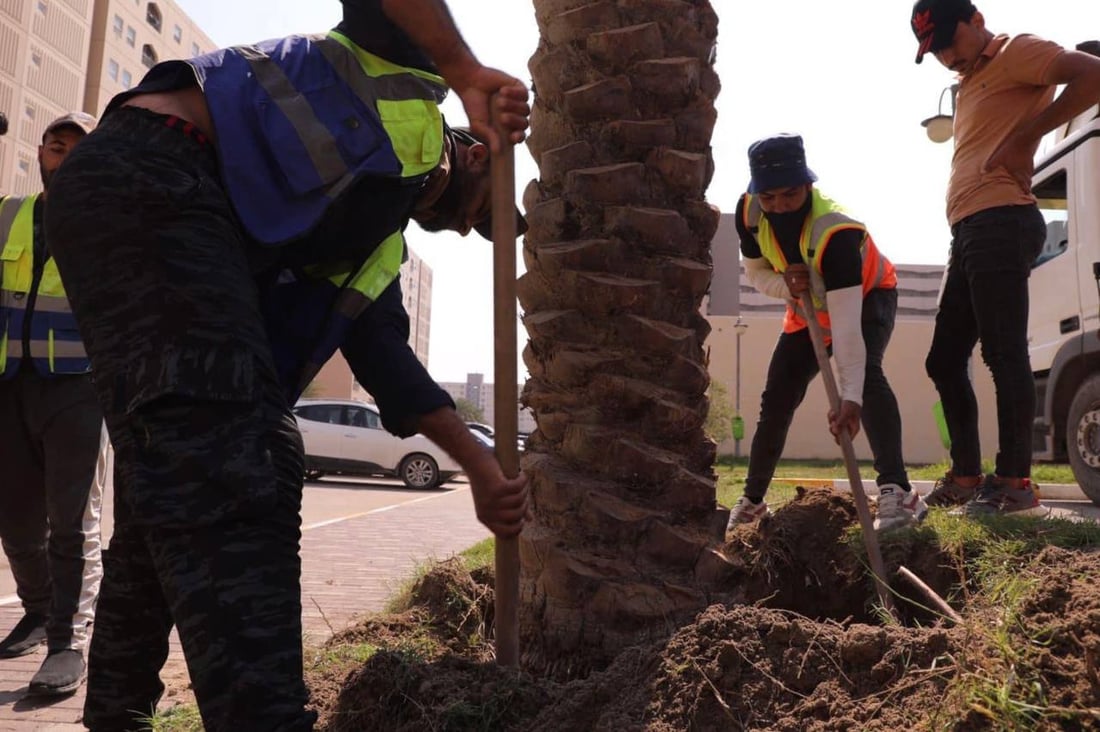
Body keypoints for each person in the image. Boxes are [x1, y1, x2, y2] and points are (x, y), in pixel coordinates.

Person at [43, 1, 530, 729]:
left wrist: (483, 472)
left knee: (172, 481)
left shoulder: (373, 242)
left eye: (469, 230)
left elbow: (390, 368)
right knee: (245, 460)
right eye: (475, 212)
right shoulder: (407, 71)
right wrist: (462, 72)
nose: (458, 224)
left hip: (131, 195)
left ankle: (117, 715)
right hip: (158, 161)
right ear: (478, 154)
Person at [912, 0, 1100, 515]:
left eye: (949, 41)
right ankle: (968, 476)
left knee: (1002, 352)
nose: (945, 55)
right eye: (934, 50)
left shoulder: (1016, 50)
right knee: (944, 359)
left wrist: (1028, 134)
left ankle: (1014, 482)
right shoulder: (968, 80)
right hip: (969, 227)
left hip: (1002, 218)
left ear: (975, 20)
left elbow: (1092, 75)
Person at [726, 134, 928, 533]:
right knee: (777, 398)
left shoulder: (837, 233)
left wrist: (849, 400)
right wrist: (787, 286)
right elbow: (756, 274)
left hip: (868, 297)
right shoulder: (748, 213)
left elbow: (849, 332)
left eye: (790, 195)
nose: (779, 206)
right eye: (769, 198)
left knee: (867, 377)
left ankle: (898, 493)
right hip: (806, 308)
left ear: (808, 185)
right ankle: (752, 502)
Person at [0, 112, 106, 697]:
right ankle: (39, 611)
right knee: (13, 518)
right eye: (55, 146)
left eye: (75, 149)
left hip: (78, 386)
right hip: (8, 384)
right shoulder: (9, 214)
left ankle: (68, 640)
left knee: (71, 521)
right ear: (39, 153)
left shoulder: (113, 222)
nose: (62, 157)